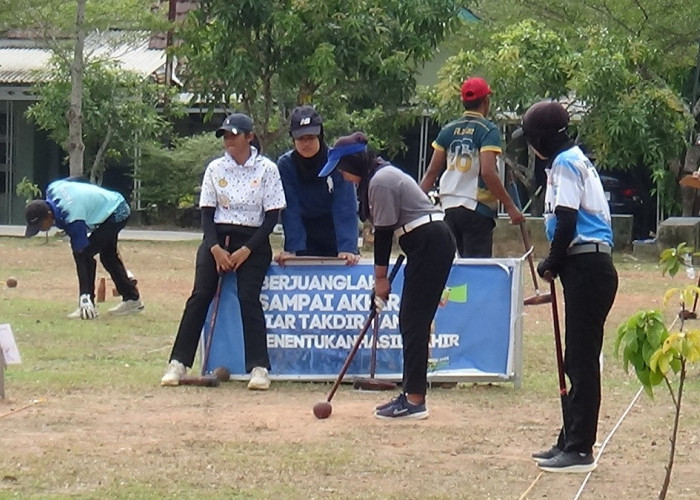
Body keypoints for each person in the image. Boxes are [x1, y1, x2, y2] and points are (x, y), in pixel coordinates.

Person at [318, 132, 456, 420]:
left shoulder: (380, 181)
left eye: (343, 170)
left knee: (413, 321)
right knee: (411, 321)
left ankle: (415, 400)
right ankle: (411, 393)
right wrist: (383, 280)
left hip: (430, 241)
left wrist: (380, 280)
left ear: (353, 163)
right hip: (421, 242)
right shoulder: (380, 177)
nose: (343, 177)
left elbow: (382, 235)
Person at [513, 101, 618, 473]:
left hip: (587, 264)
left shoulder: (564, 164)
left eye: (530, 140)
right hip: (586, 266)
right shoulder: (571, 160)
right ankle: (567, 438)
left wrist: (552, 261)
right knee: (574, 357)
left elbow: (568, 217)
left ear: (542, 138)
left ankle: (580, 449)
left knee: (581, 359)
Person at [161, 112, 286, 390]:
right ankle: (178, 362)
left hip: (252, 239)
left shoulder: (267, 169)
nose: (229, 141)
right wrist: (215, 248)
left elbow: (271, 218)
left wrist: (246, 251)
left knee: (248, 297)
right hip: (218, 237)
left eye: (234, 135)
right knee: (200, 295)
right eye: (225, 136)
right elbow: (207, 214)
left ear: (249, 137)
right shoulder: (215, 169)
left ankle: (259, 367)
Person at [419, 76, 524, 257]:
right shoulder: (487, 130)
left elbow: (431, 173)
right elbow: (488, 172)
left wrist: (415, 205)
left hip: (448, 208)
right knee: (477, 270)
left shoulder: (448, 129)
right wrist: (510, 206)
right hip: (476, 208)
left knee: (454, 268)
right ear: (486, 101)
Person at [24, 179, 143, 319]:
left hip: (117, 212)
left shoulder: (74, 217)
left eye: (40, 225)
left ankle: (90, 304)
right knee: (108, 256)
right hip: (110, 205)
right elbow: (76, 179)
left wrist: (84, 296)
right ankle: (132, 299)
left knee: (88, 254)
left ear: (49, 215)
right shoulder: (52, 188)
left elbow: (81, 255)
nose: (41, 229)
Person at [275, 105, 360, 265]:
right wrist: (293, 250)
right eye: (301, 139)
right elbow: (290, 208)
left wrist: (348, 248)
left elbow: (345, 206)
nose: (306, 143)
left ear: (320, 136)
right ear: (293, 139)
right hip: (304, 235)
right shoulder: (285, 165)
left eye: (311, 138)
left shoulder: (337, 160)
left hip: (335, 233)